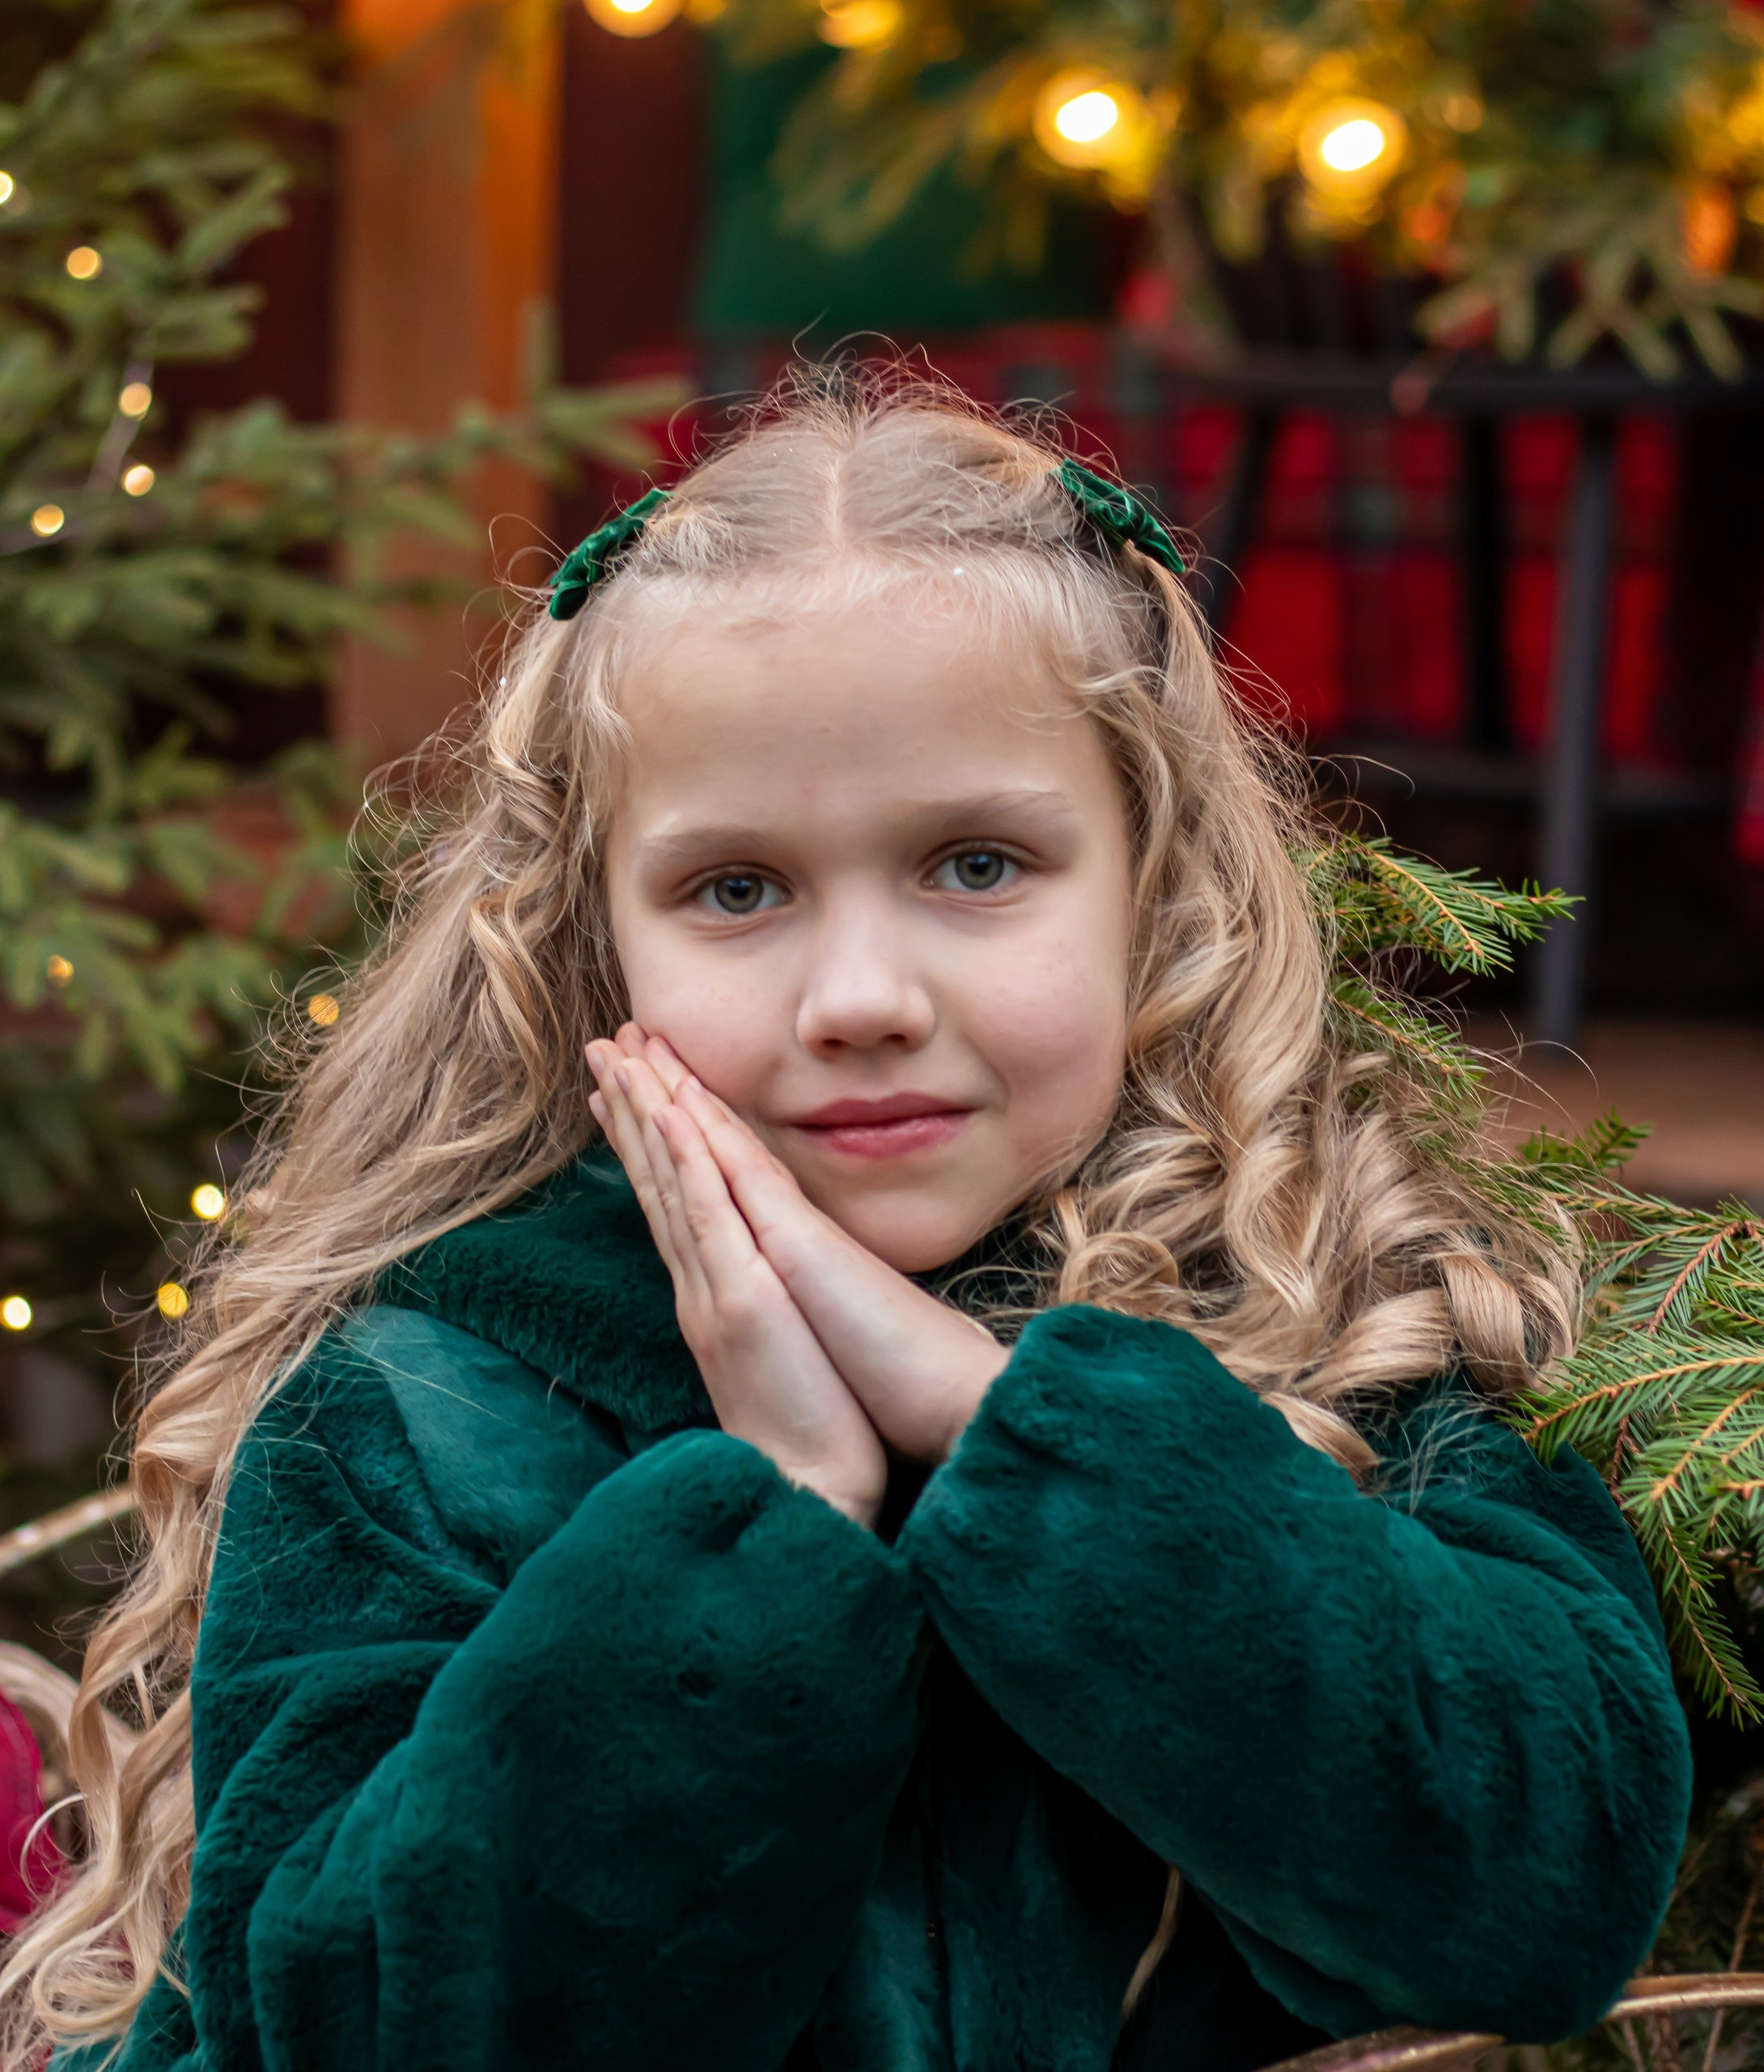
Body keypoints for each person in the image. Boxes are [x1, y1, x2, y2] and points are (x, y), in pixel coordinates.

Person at [3, 376, 1690, 2072]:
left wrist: (997, 1423)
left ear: (1154, 879)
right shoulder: (428, 1403)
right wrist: (776, 1516)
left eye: (973, 864)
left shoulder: (1328, 1302)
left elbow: (1546, 1886)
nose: (862, 997)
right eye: (736, 889)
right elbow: (352, 2029)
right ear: (597, 939)